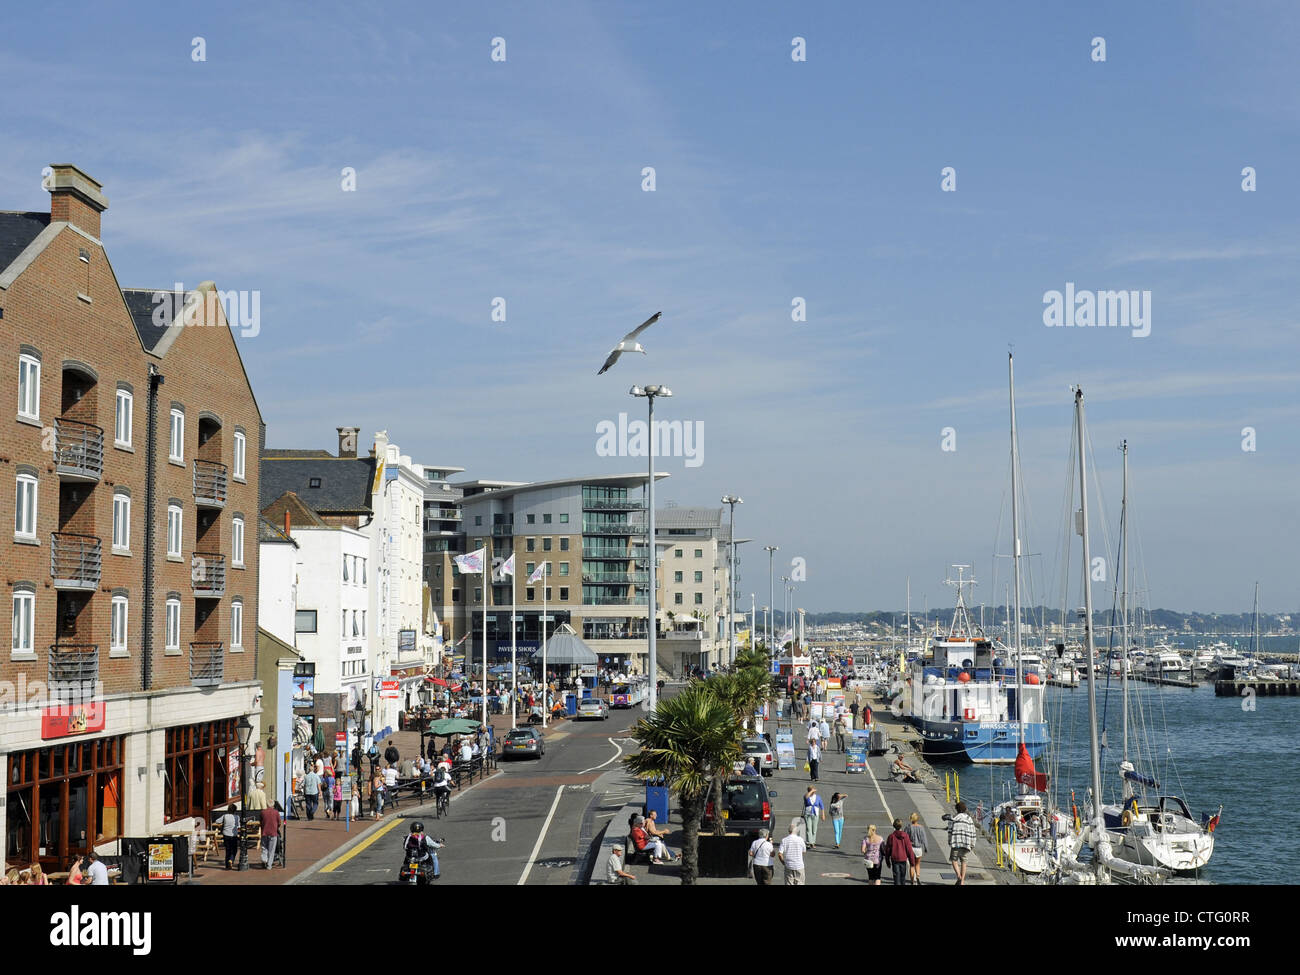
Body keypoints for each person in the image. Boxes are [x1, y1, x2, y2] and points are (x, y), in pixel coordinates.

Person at [947, 801, 977, 885]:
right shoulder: (969, 818)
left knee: (954, 860)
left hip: (956, 842)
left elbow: (950, 831)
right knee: (964, 861)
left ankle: (959, 877)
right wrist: (972, 843)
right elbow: (973, 832)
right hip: (966, 843)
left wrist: (950, 842)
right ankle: (962, 881)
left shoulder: (953, 818)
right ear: (965, 809)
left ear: (956, 809)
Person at [885, 818, 916, 885]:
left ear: (894, 826)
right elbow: (909, 849)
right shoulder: (905, 836)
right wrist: (912, 862)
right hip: (903, 859)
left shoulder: (891, 837)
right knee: (903, 877)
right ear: (901, 826)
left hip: (895, 859)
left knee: (896, 877)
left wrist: (887, 861)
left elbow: (887, 850)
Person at [777, 820, 807, 885]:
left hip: (788, 865)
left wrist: (783, 862)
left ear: (789, 831)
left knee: (789, 882)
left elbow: (779, 854)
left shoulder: (784, 840)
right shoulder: (800, 839)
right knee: (800, 883)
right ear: (796, 831)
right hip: (799, 865)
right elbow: (804, 851)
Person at [905, 812, 928, 885]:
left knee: (912, 865)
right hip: (918, 848)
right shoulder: (921, 827)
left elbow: (905, 837)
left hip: (911, 848)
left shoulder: (908, 827)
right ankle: (917, 876)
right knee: (917, 864)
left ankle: (912, 880)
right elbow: (924, 839)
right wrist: (926, 848)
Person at [218, 803, 241, 870]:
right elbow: (238, 826)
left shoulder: (225, 816)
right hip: (233, 835)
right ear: (235, 810)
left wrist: (223, 823)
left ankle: (227, 865)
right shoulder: (236, 817)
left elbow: (217, 821)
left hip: (226, 834)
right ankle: (231, 860)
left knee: (227, 850)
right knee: (234, 849)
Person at [261, 801, 282, 869]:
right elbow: (279, 823)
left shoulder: (263, 812)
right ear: (273, 805)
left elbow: (260, 822)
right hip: (273, 833)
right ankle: (269, 865)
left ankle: (264, 859)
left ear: (267, 805)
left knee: (264, 848)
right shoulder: (276, 812)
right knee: (271, 850)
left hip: (264, 832)